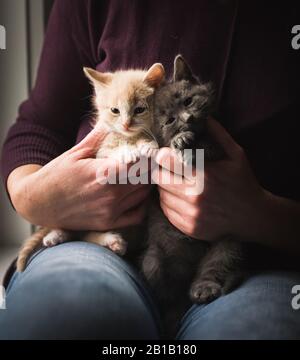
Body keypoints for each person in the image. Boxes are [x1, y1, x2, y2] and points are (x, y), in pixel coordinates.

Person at [0, 0, 300, 339]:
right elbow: (39, 125)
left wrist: (260, 213)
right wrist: (33, 197)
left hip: (255, 261)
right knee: (64, 316)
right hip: (100, 243)